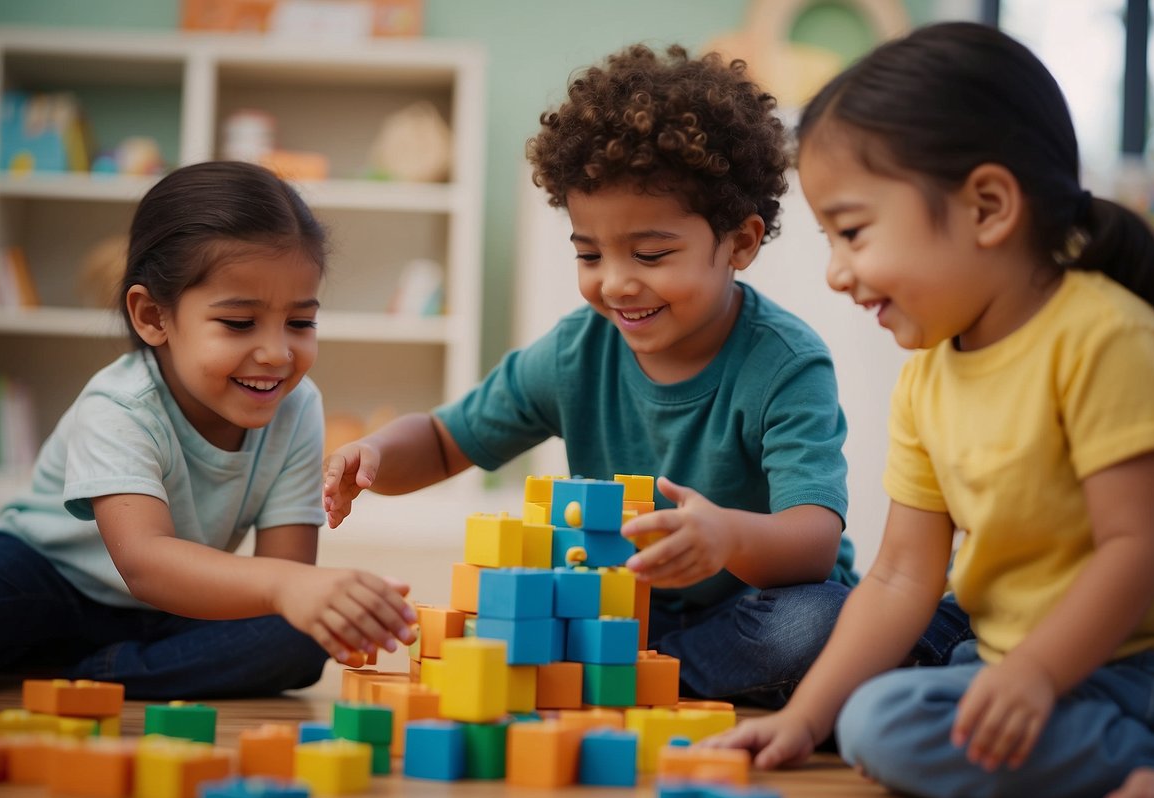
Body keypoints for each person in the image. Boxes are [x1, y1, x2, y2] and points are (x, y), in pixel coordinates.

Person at [324, 44, 967, 708]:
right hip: (622, 612)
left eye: (652, 253)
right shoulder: (577, 350)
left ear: (739, 243)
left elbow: (812, 539)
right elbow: (441, 440)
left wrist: (725, 538)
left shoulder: (785, 362)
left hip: (752, 610)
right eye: (589, 253)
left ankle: (633, 674)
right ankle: (634, 670)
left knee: (813, 622)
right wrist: (371, 458)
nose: (616, 282)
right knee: (527, 604)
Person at [702, 21, 1154, 798]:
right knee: (868, 717)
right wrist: (801, 717)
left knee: (886, 728)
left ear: (987, 207)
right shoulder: (927, 374)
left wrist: (1034, 674)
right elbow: (897, 575)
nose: (835, 273)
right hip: (998, 658)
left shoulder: (1106, 341)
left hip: (1138, 670)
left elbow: (1137, 546)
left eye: (851, 232)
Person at [0, 161, 415, 699]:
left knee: (300, 635)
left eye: (300, 322)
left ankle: (93, 674)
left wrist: (318, 597)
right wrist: (290, 587)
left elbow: (284, 573)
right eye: (239, 323)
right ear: (153, 316)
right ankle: (91, 661)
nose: (277, 353)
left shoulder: (298, 408)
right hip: (46, 579)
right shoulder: (119, 404)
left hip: (175, 610)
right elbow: (144, 562)